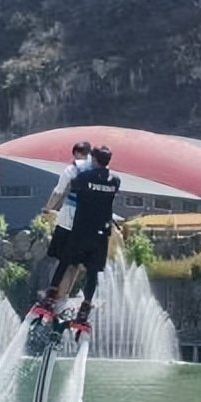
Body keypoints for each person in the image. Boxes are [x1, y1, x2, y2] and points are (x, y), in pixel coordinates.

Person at [34, 145, 121, 334]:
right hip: (101, 233)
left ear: (94, 159)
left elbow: (67, 190)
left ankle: (50, 298)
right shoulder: (115, 180)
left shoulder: (82, 177)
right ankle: (84, 310)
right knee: (92, 273)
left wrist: (49, 208)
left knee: (65, 262)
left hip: (81, 230)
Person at [41, 141, 92, 299]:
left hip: (68, 219)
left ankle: (55, 296)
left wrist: (47, 209)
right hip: (86, 222)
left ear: (76, 154)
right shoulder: (96, 170)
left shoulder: (71, 170)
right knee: (74, 263)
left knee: (62, 259)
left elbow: (58, 192)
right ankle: (66, 294)